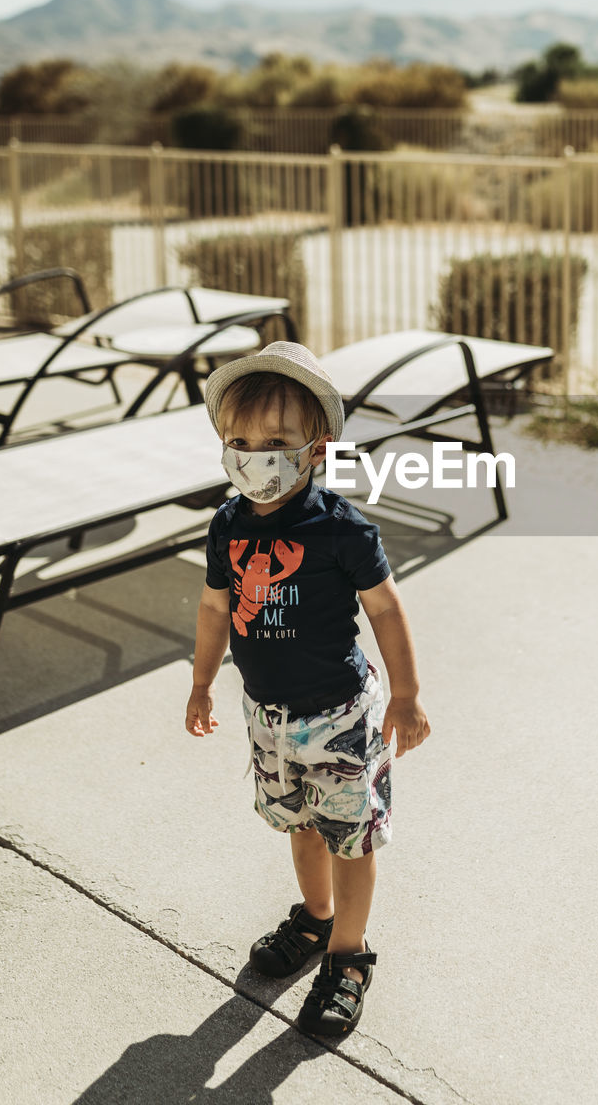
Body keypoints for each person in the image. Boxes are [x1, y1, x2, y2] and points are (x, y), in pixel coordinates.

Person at [184, 340, 430, 1037]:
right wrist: (202, 682)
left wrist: (407, 696)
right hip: (268, 716)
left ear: (315, 449)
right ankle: (316, 921)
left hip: (340, 719)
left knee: (351, 839)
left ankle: (349, 957)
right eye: (240, 440)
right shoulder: (227, 526)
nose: (255, 454)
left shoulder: (341, 530)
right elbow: (212, 608)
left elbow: (385, 609)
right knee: (300, 829)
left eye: (276, 441)